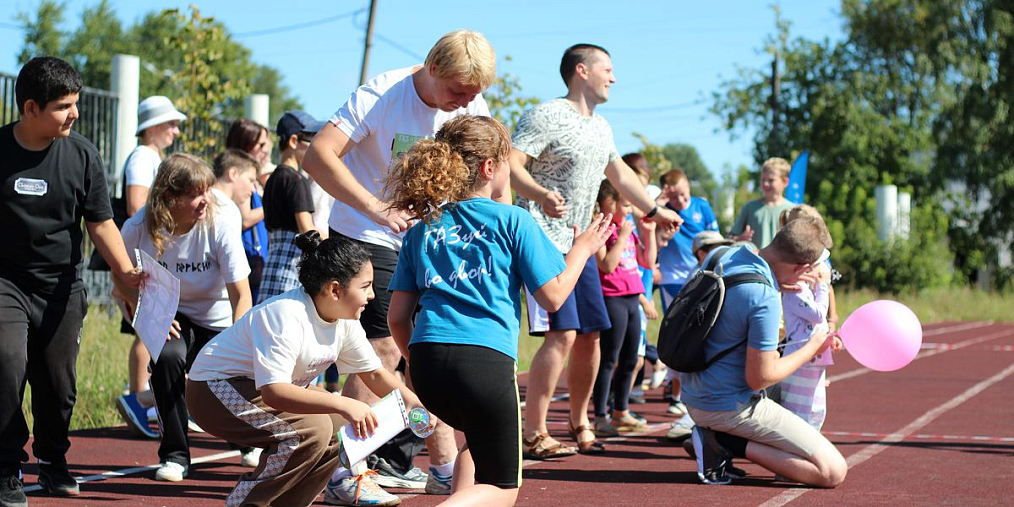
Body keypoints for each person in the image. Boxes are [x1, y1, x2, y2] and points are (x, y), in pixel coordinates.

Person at [304, 29, 496, 500]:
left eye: (475, 95)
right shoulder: (381, 95)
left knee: (431, 349)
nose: (465, 102)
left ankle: (446, 465)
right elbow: (317, 154)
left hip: (436, 239)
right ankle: (340, 470)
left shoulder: (472, 105)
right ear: (431, 68)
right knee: (384, 349)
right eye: (457, 92)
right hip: (371, 233)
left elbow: (496, 168)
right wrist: (376, 207)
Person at [387, 115, 612, 507]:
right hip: (484, 362)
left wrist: (416, 359)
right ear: (490, 168)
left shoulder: (424, 227)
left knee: (474, 447)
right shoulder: (514, 220)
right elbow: (554, 297)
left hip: (425, 360)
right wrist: (582, 250)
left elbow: (396, 317)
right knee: (503, 488)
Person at [507, 43, 683, 458]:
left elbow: (619, 174)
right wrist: (539, 193)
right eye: (608, 68)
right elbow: (510, 164)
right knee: (563, 333)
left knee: (590, 337)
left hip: (582, 243)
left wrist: (655, 211)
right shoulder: (545, 114)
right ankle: (533, 432)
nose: (614, 77)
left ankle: (580, 420)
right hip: (542, 237)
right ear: (581, 71)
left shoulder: (601, 126)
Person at [187, 231, 432, 507]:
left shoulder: (344, 320)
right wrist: (343, 404)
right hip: (213, 389)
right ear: (335, 289)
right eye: (365, 286)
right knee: (312, 431)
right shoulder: (285, 316)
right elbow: (275, 392)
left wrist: (415, 405)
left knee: (341, 432)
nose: (372, 295)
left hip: (251, 389)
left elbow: (374, 374)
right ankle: (247, 503)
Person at [0, 56, 141, 503]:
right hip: (5, 283)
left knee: (58, 384)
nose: (74, 113)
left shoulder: (81, 154)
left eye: (76, 103)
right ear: (30, 109)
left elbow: (101, 224)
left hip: (62, 285)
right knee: (5, 366)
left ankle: (53, 459)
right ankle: (5, 468)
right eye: (63, 106)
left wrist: (127, 276)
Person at [679, 216, 847, 487]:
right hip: (726, 405)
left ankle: (716, 435)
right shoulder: (764, 297)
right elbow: (760, 378)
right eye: (810, 272)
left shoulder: (726, 254)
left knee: (799, 384)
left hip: (695, 389)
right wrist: (813, 346)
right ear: (801, 267)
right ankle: (720, 440)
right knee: (832, 471)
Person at [119, 153, 252, 483]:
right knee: (167, 358)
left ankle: (247, 440)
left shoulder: (220, 220)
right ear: (169, 196)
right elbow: (118, 277)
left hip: (219, 313)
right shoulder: (138, 227)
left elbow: (242, 294)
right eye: (195, 193)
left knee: (232, 374)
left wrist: (237, 341)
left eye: (207, 189)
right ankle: (175, 455)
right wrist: (147, 314)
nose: (205, 199)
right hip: (172, 311)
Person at [115, 95, 187, 440]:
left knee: (150, 329)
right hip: (143, 255)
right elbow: (135, 204)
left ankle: (143, 400)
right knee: (151, 327)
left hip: (146, 253)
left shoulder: (149, 156)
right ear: (154, 126)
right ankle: (140, 399)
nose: (175, 130)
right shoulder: (144, 157)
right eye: (171, 124)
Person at [655, 168, 721, 420]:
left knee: (701, 333)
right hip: (672, 280)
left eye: (683, 195)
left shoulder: (702, 207)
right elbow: (650, 231)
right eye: (674, 198)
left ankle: (697, 392)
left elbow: (716, 239)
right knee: (678, 334)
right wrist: (659, 204)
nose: (680, 202)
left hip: (699, 275)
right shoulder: (662, 211)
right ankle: (675, 394)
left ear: (688, 189)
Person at [591, 179, 655, 436]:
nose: (629, 210)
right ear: (609, 203)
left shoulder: (629, 228)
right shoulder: (603, 228)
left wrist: (647, 232)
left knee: (631, 359)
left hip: (632, 299)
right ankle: (600, 416)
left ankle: (621, 410)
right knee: (609, 359)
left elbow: (647, 262)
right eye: (626, 204)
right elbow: (606, 265)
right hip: (612, 298)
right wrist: (624, 236)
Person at [258, 111, 324, 304]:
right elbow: (307, 230)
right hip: (290, 265)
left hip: (272, 263)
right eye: (311, 140)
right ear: (294, 141)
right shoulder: (296, 180)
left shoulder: (273, 178)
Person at [226, 119, 272, 303]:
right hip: (246, 256)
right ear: (246, 143)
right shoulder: (239, 174)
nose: (265, 149)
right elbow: (245, 218)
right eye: (260, 144)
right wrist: (271, 205)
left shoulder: (249, 173)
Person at [729, 157, 795, 249]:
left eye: (771, 180)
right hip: (754, 262)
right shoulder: (750, 208)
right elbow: (729, 239)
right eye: (763, 179)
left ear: (785, 182)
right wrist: (740, 238)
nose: (765, 184)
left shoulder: (793, 210)